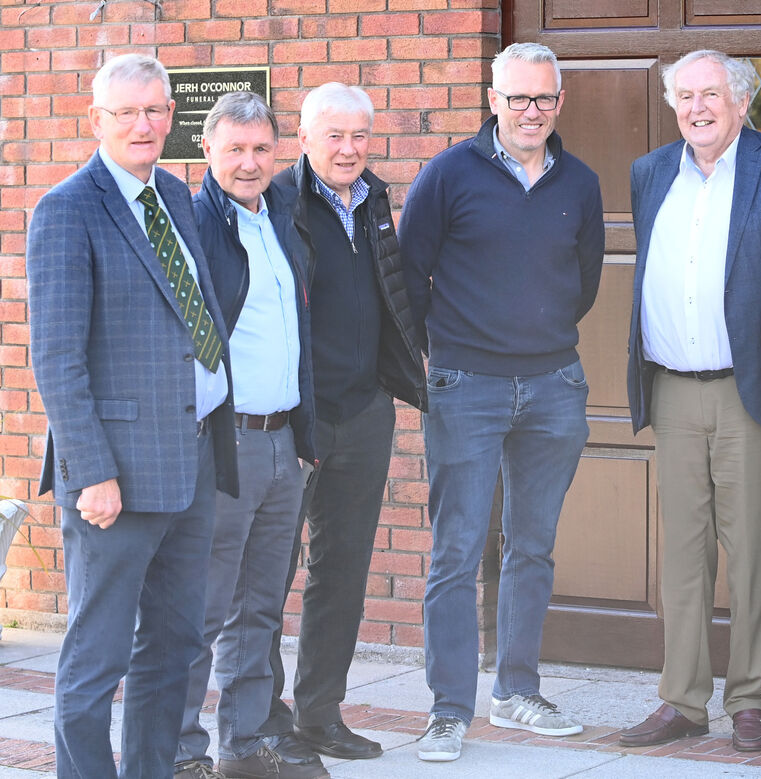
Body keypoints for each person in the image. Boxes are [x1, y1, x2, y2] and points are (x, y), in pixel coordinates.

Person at [26, 53, 237, 778]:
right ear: (96, 120)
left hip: (192, 457)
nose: (144, 124)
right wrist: (92, 473)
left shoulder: (173, 193)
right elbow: (57, 358)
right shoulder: (67, 209)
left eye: (155, 110)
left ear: (171, 116)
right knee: (98, 655)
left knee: (173, 647)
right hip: (114, 477)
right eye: (127, 113)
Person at [399, 41, 604, 763]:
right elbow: (409, 273)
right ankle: (448, 709)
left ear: (560, 101)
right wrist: (451, 353)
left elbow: (584, 282)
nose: (531, 110)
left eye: (544, 97)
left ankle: (516, 691)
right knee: (456, 551)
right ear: (494, 100)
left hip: (554, 386)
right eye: (518, 97)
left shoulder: (581, 182)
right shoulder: (448, 174)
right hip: (467, 386)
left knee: (532, 547)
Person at [620, 49, 761, 753]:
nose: (697, 107)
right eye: (685, 96)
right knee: (681, 556)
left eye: (711, 93)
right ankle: (682, 699)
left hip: (750, 393)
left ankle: (748, 701)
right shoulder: (650, 172)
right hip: (673, 388)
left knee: (751, 556)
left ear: (741, 102)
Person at [261, 82, 427, 766]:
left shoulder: (374, 201)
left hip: (363, 413)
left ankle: (319, 713)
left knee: (343, 572)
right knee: (266, 577)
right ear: (304, 139)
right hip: (291, 420)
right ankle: (262, 720)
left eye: (360, 135)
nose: (349, 148)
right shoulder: (275, 201)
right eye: (335, 135)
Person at [173, 92, 326, 779]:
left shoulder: (281, 218)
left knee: (260, 609)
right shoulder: (195, 225)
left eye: (261, 149)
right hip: (223, 445)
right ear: (206, 149)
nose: (248, 162)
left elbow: (297, 334)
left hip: (281, 442)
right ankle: (181, 752)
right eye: (234, 148)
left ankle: (244, 743)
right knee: (201, 610)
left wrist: (304, 435)